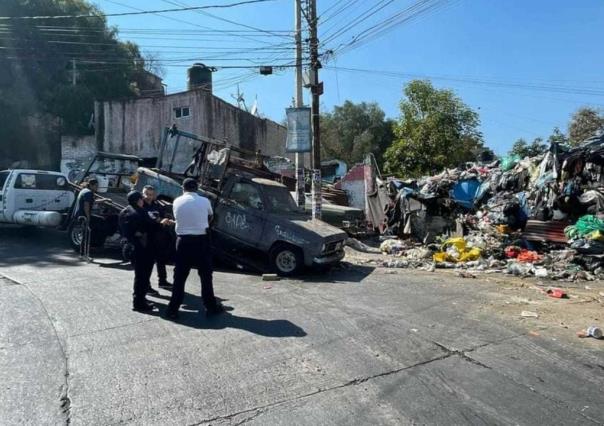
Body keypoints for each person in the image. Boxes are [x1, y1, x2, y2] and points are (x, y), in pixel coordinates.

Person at [165, 178, 224, 320]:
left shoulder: (177, 201)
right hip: (201, 241)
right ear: (196, 188)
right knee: (205, 276)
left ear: (183, 188)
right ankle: (211, 306)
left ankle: (173, 309)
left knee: (179, 277)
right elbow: (210, 216)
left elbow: (178, 218)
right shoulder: (205, 201)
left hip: (183, 241)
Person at [119, 191, 172, 312]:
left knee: (139, 276)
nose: (143, 201)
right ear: (138, 200)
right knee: (142, 277)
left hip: (128, 247)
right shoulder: (141, 213)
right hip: (142, 249)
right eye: (142, 199)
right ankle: (139, 302)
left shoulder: (124, 211)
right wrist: (162, 223)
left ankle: (140, 299)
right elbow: (151, 227)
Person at [142, 185, 173, 294]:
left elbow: (162, 215)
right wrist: (159, 220)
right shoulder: (142, 205)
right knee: (147, 265)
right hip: (147, 238)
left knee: (161, 260)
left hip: (159, 237)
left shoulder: (156, 204)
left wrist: (166, 219)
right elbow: (148, 218)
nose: (149, 197)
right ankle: (146, 286)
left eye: (151, 194)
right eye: (147, 194)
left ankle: (163, 281)